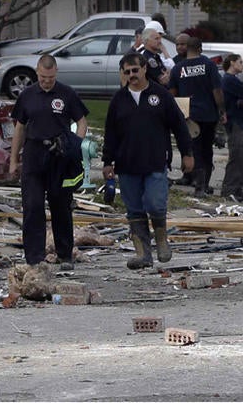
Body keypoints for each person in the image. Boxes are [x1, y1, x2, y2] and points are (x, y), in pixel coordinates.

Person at [103, 52, 194, 268]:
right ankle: (143, 254)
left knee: (155, 204)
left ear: (144, 68)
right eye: (127, 72)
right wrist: (107, 162)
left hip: (155, 161)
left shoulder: (161, 95)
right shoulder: (118, 100)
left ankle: (161, 240)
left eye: (135, 70)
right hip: (126, 165)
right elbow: (110, 134)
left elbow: (180, 127)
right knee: (134, 209)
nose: (132, 75)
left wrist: (187, 153)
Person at [9, 54, 88, 271]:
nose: (47, 81)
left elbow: (82, 120)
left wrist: (76, 144)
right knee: (33, 206)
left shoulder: (66, 93)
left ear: (56, 73)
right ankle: (35, 257)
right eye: (43, 77)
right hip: (34, 153)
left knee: (61, 205)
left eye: (51, 78)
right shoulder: (27, 95)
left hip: (59, 154)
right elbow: (20, 128)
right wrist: (13, 160)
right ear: (37, 73)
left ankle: (64, 254)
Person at [170, 36, 224, 195]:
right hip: (208, 115)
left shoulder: (178, 68)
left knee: (195, 150)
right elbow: (217, 91)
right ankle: (204, 185)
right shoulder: (209, 65)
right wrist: (222, 110)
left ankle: (199, 186)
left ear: (187, 49)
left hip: (189, 116)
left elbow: (172, 95)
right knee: (207, 149)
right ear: (200, 48)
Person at [218, 54, 243, 199]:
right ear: (232, 63)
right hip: (235, 123)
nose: (242, 64)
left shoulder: (232, 80)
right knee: (237, 156)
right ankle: (229, 190)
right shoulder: (229, 80)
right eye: (240, 62)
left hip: (237, 122)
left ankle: (237, 189)